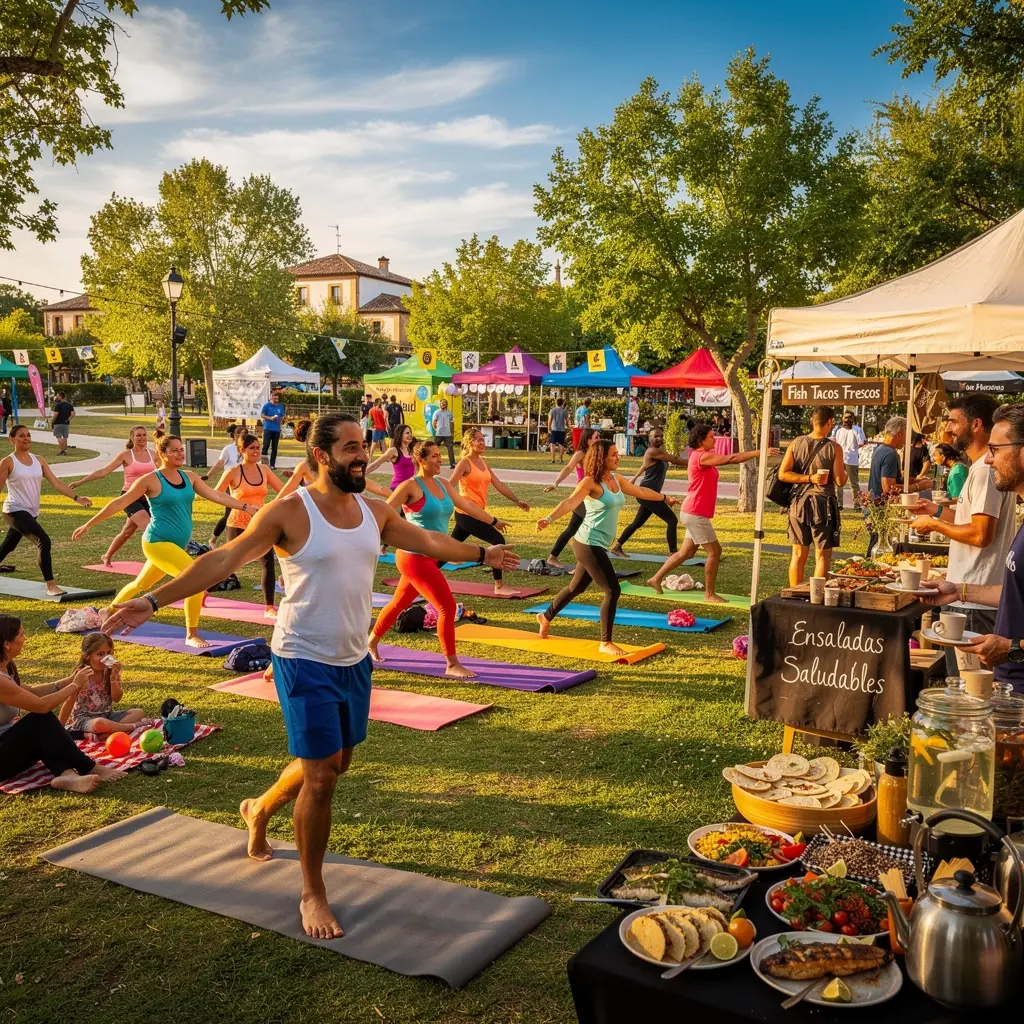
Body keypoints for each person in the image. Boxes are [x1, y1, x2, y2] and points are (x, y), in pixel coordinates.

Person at [101, 413, 518, 939]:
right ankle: (312, 891)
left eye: (363, 446)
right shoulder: (287, 514)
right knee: (321, 779)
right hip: (301, 656)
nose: (361, 456)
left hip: (352, 659)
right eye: (349, 448)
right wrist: (152, 597)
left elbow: (427, 541)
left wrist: (484, 552)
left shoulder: (376, 511)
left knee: (334, 763)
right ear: (321, 456)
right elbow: (225, 556)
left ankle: (258, 808)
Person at [72, 434, 253, 648]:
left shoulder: (190, 477)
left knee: (141, 584)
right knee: (195, 580)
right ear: (162, 454)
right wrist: (89, 524)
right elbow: (119, 502)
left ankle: (108, 610)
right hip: (156, 542)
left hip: (176, 545)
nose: (180, 453)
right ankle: (191, 634)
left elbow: (217, 496)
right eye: (174, 450)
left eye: (181, 449)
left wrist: (246, 507)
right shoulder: (151, 480)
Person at [369, 439, 509, 678]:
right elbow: (383, 512)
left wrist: (493, 521)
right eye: (434, 456)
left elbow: (466, 505)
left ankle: (370, 643)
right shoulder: (410, 486)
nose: (440, 459)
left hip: (432, 556)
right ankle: (451, 664)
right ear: (420, 460)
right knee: (447, 606)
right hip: (413, 557)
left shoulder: (443, 484)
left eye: (439, 455)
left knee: (399, 603)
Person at [908, 394, 1018, 672]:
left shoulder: (983, 472)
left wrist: (934, 525)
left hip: (975, 604)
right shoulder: (980, 469)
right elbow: (970, 521)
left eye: (953, 422)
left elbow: (981, 534)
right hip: (971, 594)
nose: (947, 430)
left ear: (976, 424)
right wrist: (935, 511)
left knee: (967, 693)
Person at [537, 440, 678, 656]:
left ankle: (546, 616)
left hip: (597, 544)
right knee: (612, 590)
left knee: (576, 588)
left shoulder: (616, 479)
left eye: (617, 453)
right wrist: (548, 519)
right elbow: (569, 503)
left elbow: (640, 490)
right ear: (601, 458)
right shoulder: (589, 482)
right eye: (613, 454)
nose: (617, 457)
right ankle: (605, 642)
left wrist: (664, 498)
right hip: (587, 543)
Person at [0, 616, 127, 791]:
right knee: (40, 720)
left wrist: (71, 679)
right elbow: (41, 705)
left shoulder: (6, 666)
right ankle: (88, 766)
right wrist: (75, 685)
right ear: (7, 643)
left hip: (8, 746)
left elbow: (33, 692)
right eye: (21, 634)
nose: (25, 638)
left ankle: (68, 776)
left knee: (44, 732)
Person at [647, 423, 770, 600]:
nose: (715, 438)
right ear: (701, 440)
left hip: (694, 511)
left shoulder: (700, 456)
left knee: (686, 553)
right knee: (715, 552)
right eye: (711, 436)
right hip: (695, 512)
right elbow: (732, 458)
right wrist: (760, 452)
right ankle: (709, 594)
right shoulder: (701, 457)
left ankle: (655, 578)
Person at [0, 425, 92, 594]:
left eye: (28, 435)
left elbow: (56, 483)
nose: (26, 438)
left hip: (31, 512)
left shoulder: (39, 460)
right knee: (43, 540)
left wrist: (78, 498)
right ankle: (51, 586)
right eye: (21, 436)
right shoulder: (7, 462)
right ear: (12, 439)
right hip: (14, 510)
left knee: (8, 546)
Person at [449, 428, 531, 596]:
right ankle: (499, 585)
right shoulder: (465, 463)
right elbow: (449, 486)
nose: (482, 442)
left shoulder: (483, 462)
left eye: (483, 439)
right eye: (478, 440)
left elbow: (498, 484)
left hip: (478, 512)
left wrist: (517, 500)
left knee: (448, 549)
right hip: (466, 513)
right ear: (469, 443)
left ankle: (420, 574)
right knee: (497, 539)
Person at [216, 432, 286, 618]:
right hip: (237, 522)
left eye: (258, 447)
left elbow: (284, 491)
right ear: (242, 450)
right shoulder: (233, 471)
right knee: (228, 565)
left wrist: (272, 507)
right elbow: (216, 494)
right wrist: (242, 505)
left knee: (268, 563)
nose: (256, 451)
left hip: (260, 524)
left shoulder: (265, 470)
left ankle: (269, 607)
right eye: (252, 448)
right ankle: (203, 592)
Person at [779, 406, 847, 586]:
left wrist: (806, 478)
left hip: (798, 503)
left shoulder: (796, 442)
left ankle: (794, 593)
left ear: (812, 421)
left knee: (798, 554)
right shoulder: (834, 448)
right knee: (822, 556)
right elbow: (840, 480)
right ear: (830, 422)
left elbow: (783, 474)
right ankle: (817, 597)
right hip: (823, 505)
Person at [71, 425, 155, 566]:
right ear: (132, 437)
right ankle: (154, 560)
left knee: (127, 532)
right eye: (138, 435)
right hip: (129, 497)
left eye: (144, 435)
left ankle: (107, 555)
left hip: (148, 498)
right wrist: (81, 481)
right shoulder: (126, 455)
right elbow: (104, 472)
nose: (142, 438)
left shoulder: (153, 454)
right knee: (150, 528)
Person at [610, 427, 685, 557]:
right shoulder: (652, 451)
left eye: (661, 436)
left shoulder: (657, 452)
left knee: (637, 523)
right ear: (649, 438)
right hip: (647, 492)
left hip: (650, 493)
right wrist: (698, 463)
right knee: (672, 520)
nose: (659, 438)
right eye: (655, 436)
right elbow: (675, 460)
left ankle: (617, 547)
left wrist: (633, 478)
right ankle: (673, 553)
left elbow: (644, 466)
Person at [58, 632, 145, 738]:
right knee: (100, 723)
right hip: (85, 720)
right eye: (100, 654)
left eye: (109, 653)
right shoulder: (82, 674)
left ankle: (106, 733)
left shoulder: (109, 671)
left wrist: (113, 679)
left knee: (138, 713)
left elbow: (117, 698)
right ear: (87, 656)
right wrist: (59, 728)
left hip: (107, 716)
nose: (106, 658)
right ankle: (130, 727)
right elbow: (69, 702)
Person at [543, 427, 600, 570]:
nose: (598, 439)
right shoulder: (581, 454)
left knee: (579, 528)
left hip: (593, 495)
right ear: (588, 440)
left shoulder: (597, 453)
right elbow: (568, 468)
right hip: (582, 495)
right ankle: (556, 558)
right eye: (596, 437)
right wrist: (556, 483)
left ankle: (561, 558)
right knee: (575, 528)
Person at [865, 415, 907, 555]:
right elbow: (888, 487)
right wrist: (917, 487)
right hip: (881, 509)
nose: (907, 440)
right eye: (906, 435)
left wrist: (912, 482)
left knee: (876, 544)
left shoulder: (881, 449)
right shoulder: (890, 454)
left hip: (875, 506)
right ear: (900, 434)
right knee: (879, 546)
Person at [204, 426, 247, 546]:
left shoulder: (247, 449)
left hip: (245, 486)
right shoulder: (228, 449)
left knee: (245, 513)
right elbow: (219, 464)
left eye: (245, 435)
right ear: (235, 436)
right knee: (230, 513)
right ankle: (213, 539)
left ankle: (241, 543)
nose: (243, 437)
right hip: (231, 485)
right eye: (240, 435)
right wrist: (208, 476)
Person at [831, 412, 866, 509]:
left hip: (852, 459)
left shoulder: (857, 430)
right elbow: (836, 443)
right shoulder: (839, 431)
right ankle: (839, 503)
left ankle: (857, 504)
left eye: (849, 418)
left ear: (852, 419)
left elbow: (861, 442)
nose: (847, 420)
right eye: (845, 417)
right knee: (839, 482)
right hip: (840, 459)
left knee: (854, 483)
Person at [260, 388, 285, 468]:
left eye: (276, 398)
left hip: (276, 430)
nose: (275, 399)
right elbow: (262, 415)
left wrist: (281, 429)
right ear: (271, 397)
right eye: (273, 398)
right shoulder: (267, 405)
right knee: (266, 445)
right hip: (268, 429)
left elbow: (281, 418)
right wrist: (270, 418)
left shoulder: (280, 406)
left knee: (274, 447)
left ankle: (272, 465)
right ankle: (264, 464)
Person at [431, 398, 456, 468]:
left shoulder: (449, 413)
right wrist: (436, 429)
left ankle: (452, 464)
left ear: (446, 404)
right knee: (434, 449)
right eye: (442, 403)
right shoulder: (437, 412)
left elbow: (452, 423)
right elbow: (434, 422)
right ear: (440, 404)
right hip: (438, 434)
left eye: (444, 403)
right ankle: (433, 463)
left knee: (450, 450)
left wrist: (452, 432)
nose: (443, 404)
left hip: (448, 434)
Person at [547, 398, 568, 464]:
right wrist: (567, 426)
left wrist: (548, 428)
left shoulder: (552, 410)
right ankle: (560, 459)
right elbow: (567, 420)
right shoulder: (564, 411)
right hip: (562, 429)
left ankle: (553, 459)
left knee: (552, 444)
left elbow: (550, 420)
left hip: (554, 429)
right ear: (562, 403)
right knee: (561, 444)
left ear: (556, 403)